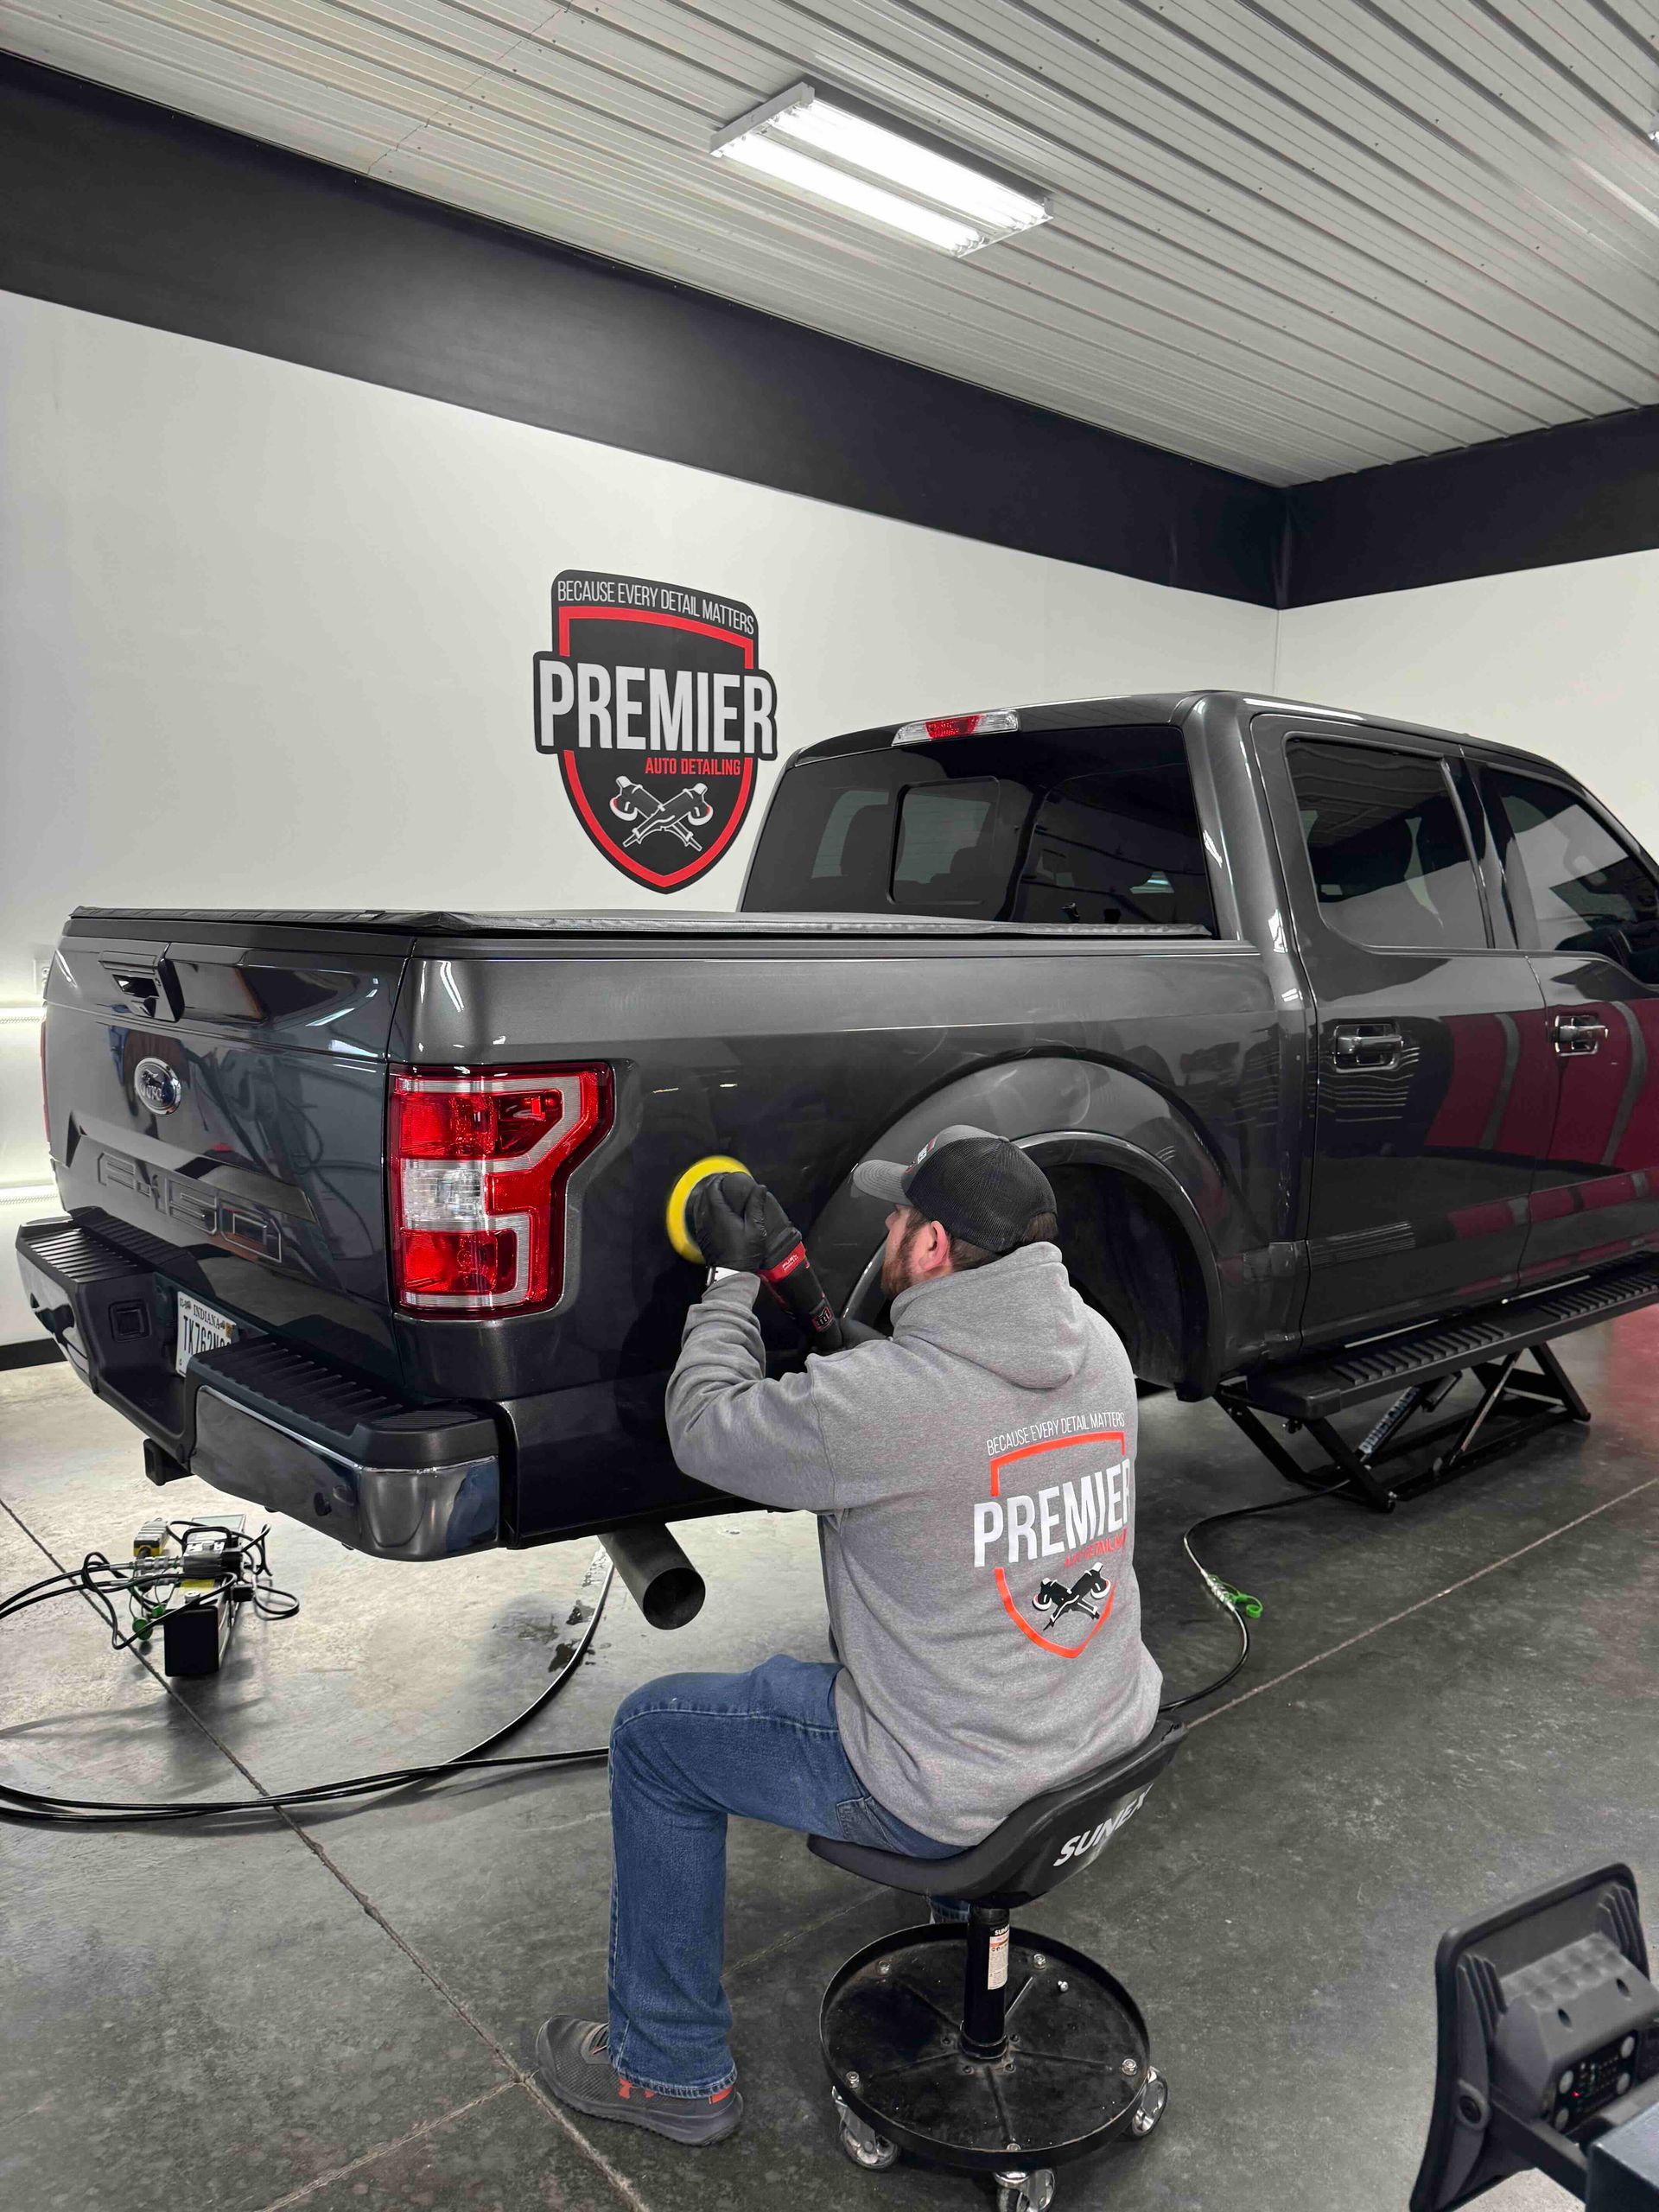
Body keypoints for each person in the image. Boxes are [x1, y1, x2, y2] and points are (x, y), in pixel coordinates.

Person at [535, 1126, 1161, 2145]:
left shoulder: (884, 1408)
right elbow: (924, 1409)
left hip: (951, 1790)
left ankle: (669, 2069)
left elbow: (707, 1422)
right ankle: (958, 1916)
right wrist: (815, 1302)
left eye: (901, 1214)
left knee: (655, 1737)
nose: (886, 1222)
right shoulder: (1098, 1345)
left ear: (930, 1251)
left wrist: (735, 1281)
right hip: (1104, 1740)